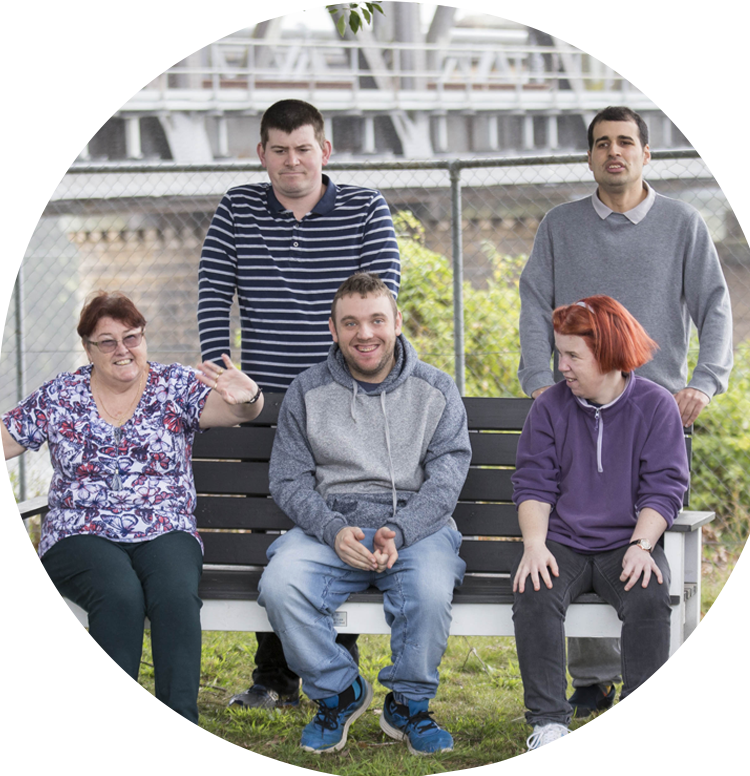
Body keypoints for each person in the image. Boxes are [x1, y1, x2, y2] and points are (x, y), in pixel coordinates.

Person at [517, 105, 733, 717]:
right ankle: (591, 680)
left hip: (656, 411)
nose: (614, 152)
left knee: (636, 545)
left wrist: (705, 383)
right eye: (602, 143)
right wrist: (541, 379)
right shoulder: (560, 226)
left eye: (626, 142)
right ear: (589, 156)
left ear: (645, 153)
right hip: (575, 405)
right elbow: (536, 302)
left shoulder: (682, 224)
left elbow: (715, 308)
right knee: (577, 528)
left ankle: (644, 690)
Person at [0, 291, 264, 769]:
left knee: (174, 592)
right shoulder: (61, 394)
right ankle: (115, 730)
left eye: (131, 337)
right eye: (107, 342)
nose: (122, 349)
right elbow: (6, 436)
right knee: (119, 594)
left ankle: (176, 729)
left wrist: (250, 399)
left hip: (165, 526)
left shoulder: (174, 385)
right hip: (79, 531)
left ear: (143, 338)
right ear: (88, 349)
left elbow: (232, 412)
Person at [197, 98, 401, 711]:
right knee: (271, 527)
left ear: (325, 151)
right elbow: (213, 290)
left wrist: (355, 374)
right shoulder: (237, 207)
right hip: (262, 399)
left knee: (339, 514)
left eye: (303, 148)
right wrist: (225, 377)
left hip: (342, 394)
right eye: (279, 150)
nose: (292, 161)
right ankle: (275, 676)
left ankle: (339, 669)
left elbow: (382, 295)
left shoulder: (366, 208)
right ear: (262, 154)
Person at [258, 272, 470, 755]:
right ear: (333, 330)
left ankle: (409, 706)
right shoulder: (307, 391)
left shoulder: (435, 389)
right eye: (350, 323)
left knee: (431, 591)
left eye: (377, 319)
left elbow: (448, 476)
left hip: (416, 528)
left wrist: (400, 528)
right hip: (330, 529)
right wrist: (332, 530)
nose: (365, 333)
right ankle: (339, 692)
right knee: (280, 585)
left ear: (397, 322)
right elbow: (288, 479)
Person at [512, 295, 689, 768]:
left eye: (573, 356)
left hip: (625, 543)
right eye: (559, 354)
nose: (561, 366)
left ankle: (640, 722)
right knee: (534, 589)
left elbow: (665, 486)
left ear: (608, 353)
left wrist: (642, 545)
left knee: (650, 591)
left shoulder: (655, 406)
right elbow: (533, 483)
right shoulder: (549, 407)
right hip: (563, 543)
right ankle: (548, 725)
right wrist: (534, 545)